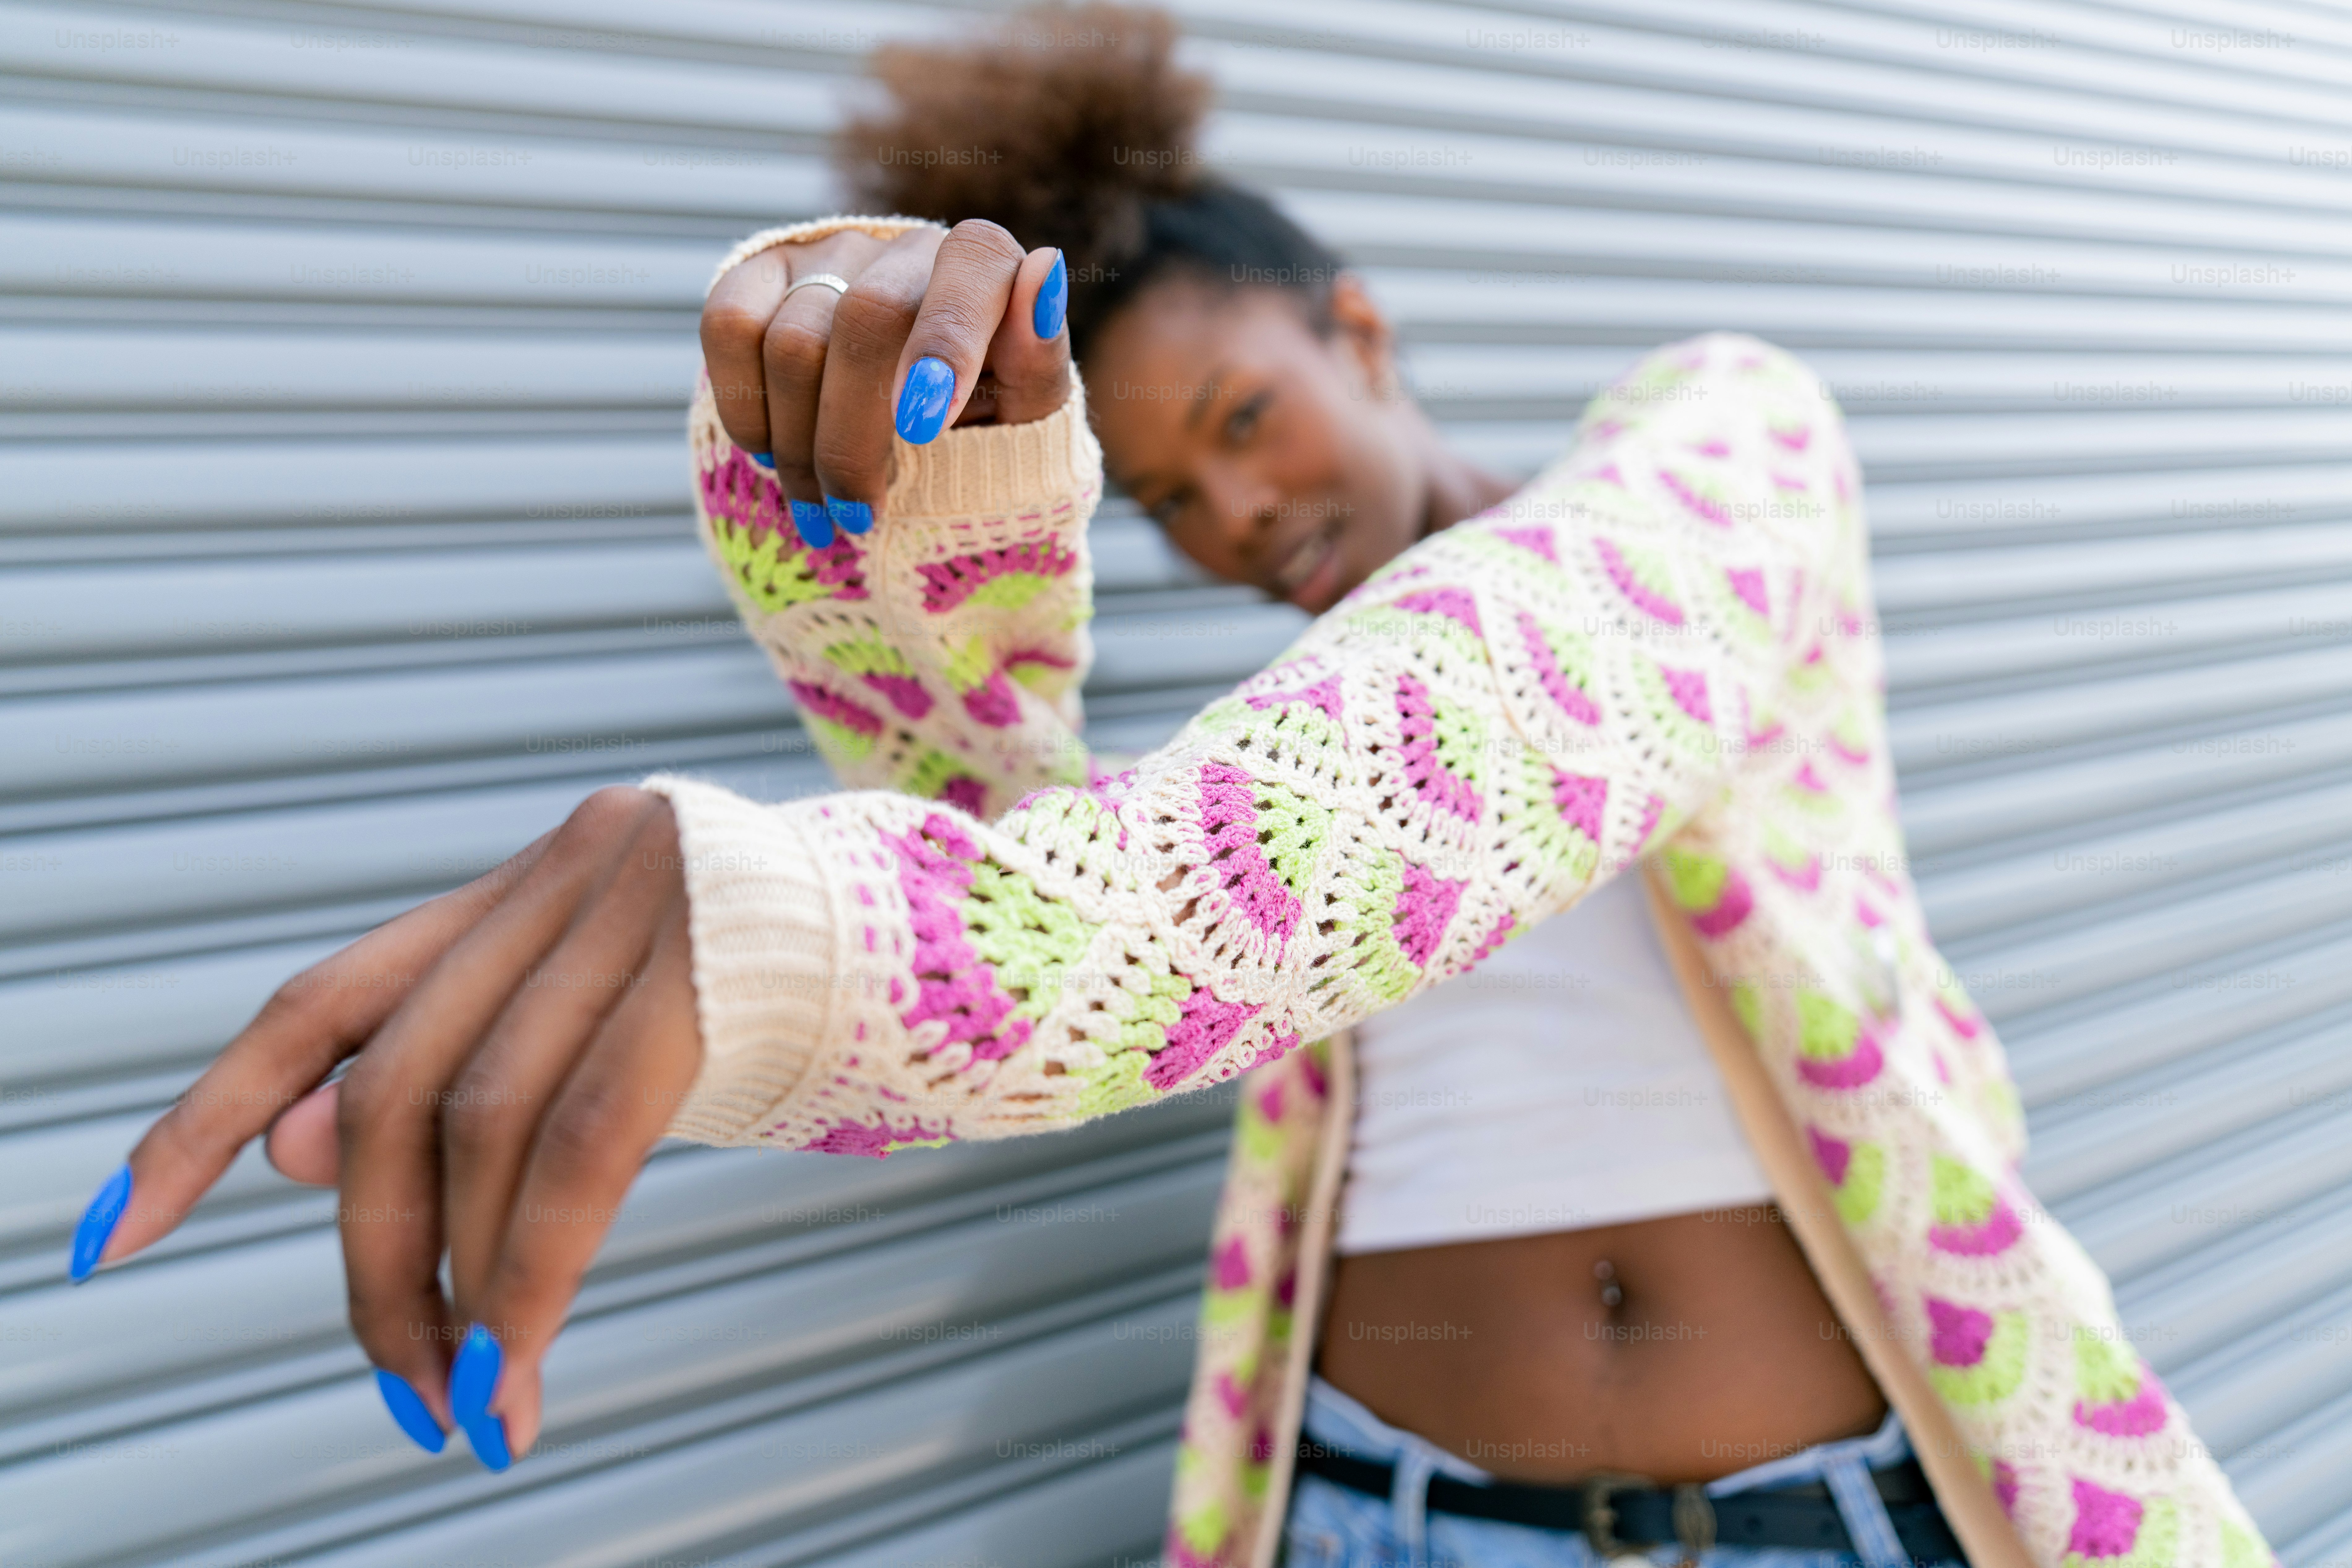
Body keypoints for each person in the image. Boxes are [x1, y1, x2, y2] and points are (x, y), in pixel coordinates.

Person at [67, 7, 2268, 1568]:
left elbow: (1443, 752)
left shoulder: (1710, 454)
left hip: (1849, 1517)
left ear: (1362, 333)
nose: (1232, 517)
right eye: (1164, 502)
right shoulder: (1239, 755)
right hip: (1370, 1516)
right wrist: (869, 531)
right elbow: (1013, 886)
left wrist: (800, 935)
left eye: (1245, 417)